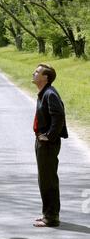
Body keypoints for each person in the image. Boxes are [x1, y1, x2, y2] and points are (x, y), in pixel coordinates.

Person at [32, 63, 68, 228]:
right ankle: (48, 214)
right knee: (44, 180)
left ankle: (52, 218)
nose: (34, 73)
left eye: (38, 72)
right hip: (42, 142)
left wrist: (50, 136)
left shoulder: (50, 94)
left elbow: (59, 115)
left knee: (49, 181)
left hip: (47, 144)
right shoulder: (44, 93)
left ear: (45, 77)